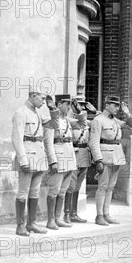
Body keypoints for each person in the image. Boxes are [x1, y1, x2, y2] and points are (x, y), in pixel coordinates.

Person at [11, 88, 56, 236]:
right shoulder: (21, 112)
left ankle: (32, 223)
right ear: (32, 96)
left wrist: (53, 109)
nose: (43, 102)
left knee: (35, 191)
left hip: (39, 157)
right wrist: (22, 160)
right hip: (27, 157)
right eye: (41, 98)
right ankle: (20, 226)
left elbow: (53, 126)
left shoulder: (37, 113)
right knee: (23, 192)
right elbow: (17, 138)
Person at [42, 94, 87, 229]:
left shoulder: (67, 120)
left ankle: (58, 218)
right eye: (67, 104)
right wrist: (52, 161)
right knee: (54, 190)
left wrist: (78, 111)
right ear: (59, 104)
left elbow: (82, 124)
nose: (68, 107)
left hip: (69, 157)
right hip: (59, 157)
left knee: (63, 190)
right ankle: (50, 220)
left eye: (69, 104)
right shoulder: (51, 120)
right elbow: (48, 142)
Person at [88, 96, 132, 225]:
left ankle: (106, 213)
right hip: (105, 157)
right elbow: (93, 142)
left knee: (111, 187)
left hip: (117, 156)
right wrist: (98, 160)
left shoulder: (115, 121)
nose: (117, 108)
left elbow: (131, 129)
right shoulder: (98, 120)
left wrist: (127, 114)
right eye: (114, 105)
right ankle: (99, 215)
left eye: (118, 106)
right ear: (107, 105)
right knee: (102, 187)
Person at [63, 95, 97, 224]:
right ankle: (66, 214)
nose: (82, 108)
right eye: (79, 105)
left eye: (84, 106)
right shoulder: (69, 121)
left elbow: (99, 121)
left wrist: (94, 111)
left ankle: (73, 213)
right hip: (74, 152)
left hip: (84, 154)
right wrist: (79, 113)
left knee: (77, 185)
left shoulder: (87, 123)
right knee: (70, 185)